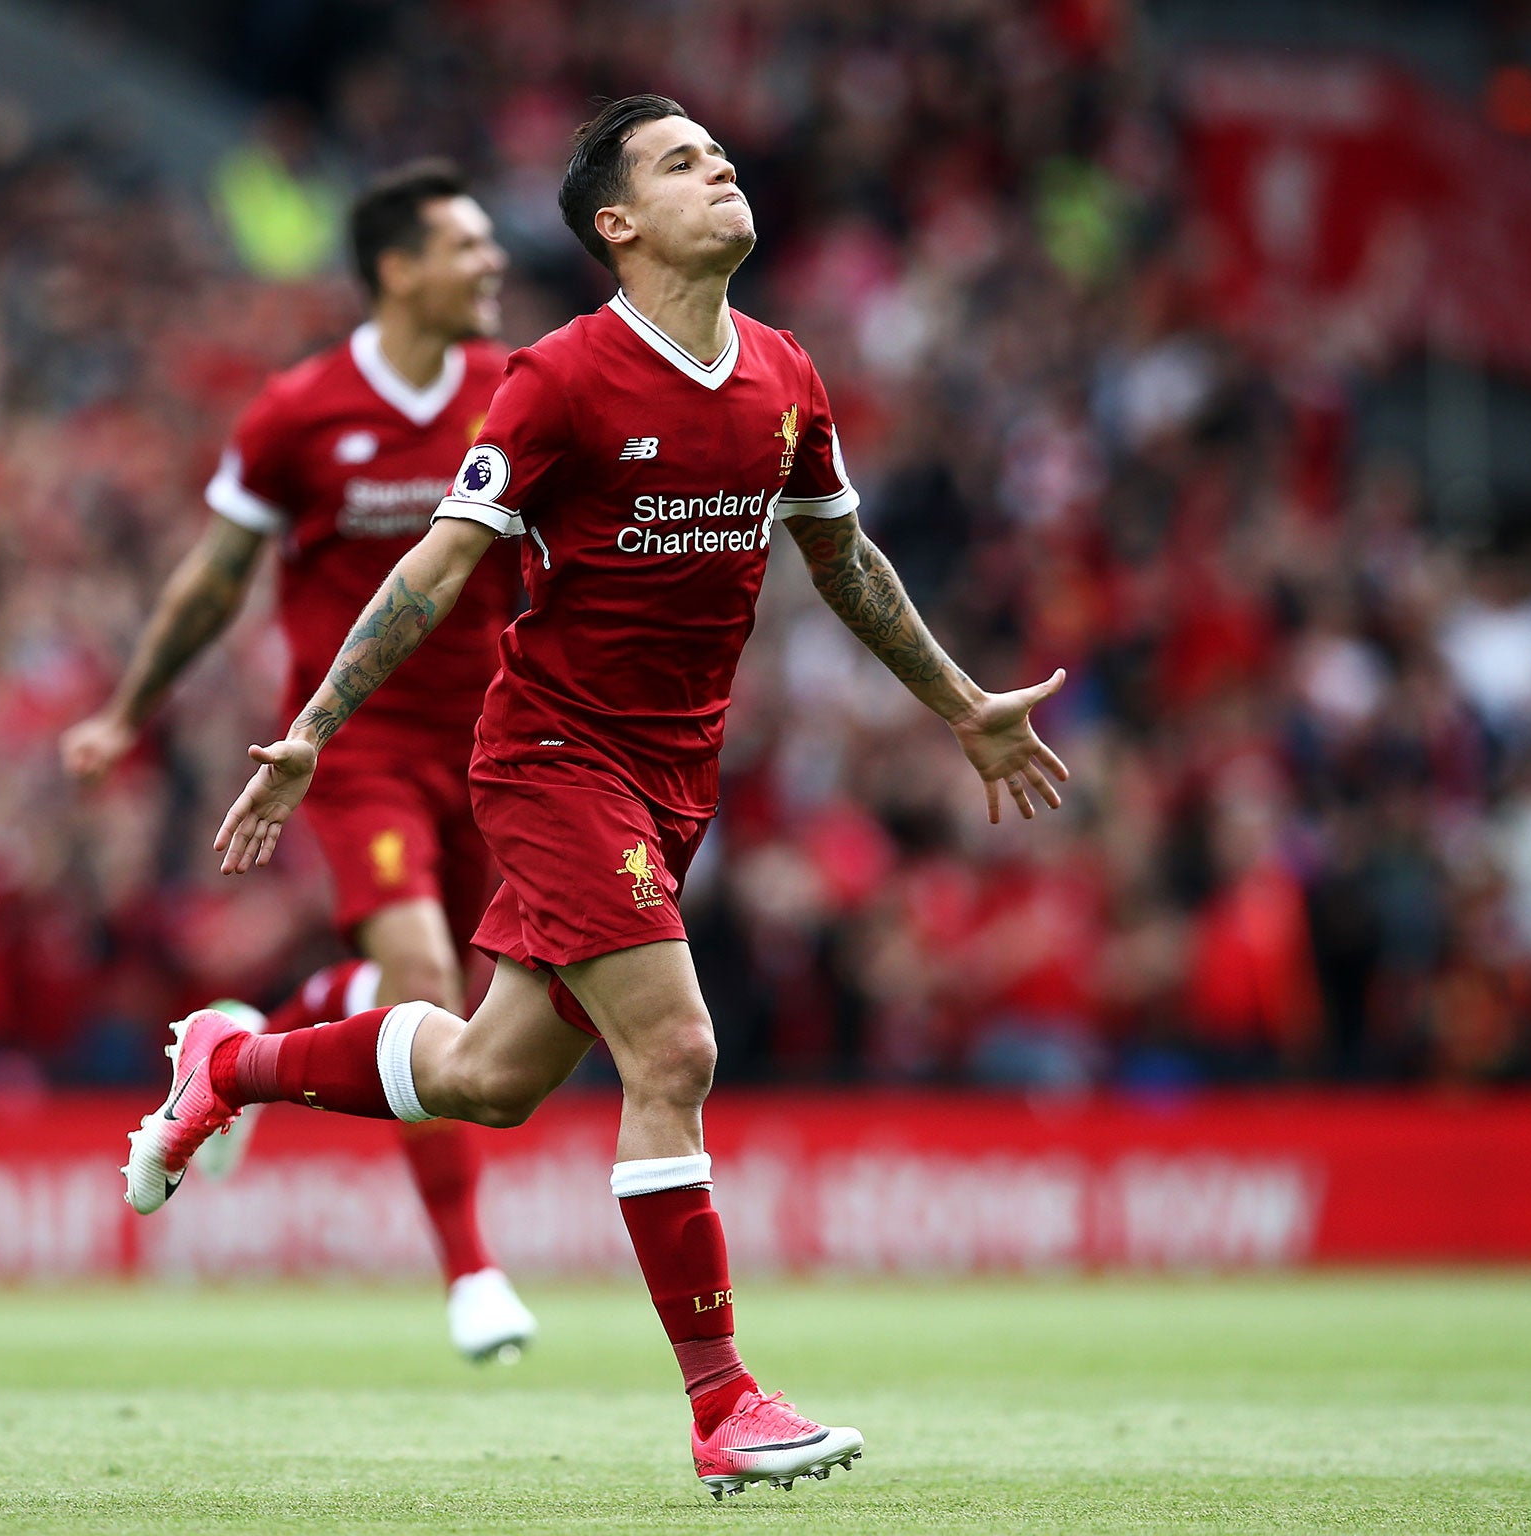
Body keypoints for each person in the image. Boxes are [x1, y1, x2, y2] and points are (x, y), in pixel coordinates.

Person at [124, 97, 1068, 1498]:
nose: (723, 171)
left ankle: (232, 1063)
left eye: (724, 156)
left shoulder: (786, 376)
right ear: (615, 226)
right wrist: (317, 726)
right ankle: (722, 1402)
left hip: (674, 780)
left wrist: (962, 706)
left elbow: (846, 564)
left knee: (486, 1078)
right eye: (684, 163)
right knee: (673, 1055)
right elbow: (440, 564)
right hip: (555, 759)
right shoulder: (561, 380)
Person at [66, 160, 536, 1363]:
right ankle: (470, 1275)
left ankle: (239, 1049)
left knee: (469, 1016)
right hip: (357, 741)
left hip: (496, 744)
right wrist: (126, 713)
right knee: (423, 984)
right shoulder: (298, 412)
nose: (492, 264)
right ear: (397, 267)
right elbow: (215, 577)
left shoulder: (515, 391)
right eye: (466, 245)